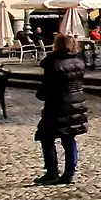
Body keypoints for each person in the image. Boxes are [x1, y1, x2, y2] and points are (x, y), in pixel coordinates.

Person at [34, 33, 88, 185]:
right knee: (69, 137)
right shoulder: (79, 61)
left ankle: (52, 171)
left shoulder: (53, 63)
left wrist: (40, 95)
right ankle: (69, 172)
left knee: (46, 137)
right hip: (76, 101)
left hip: (57, 104)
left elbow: (47, 87)